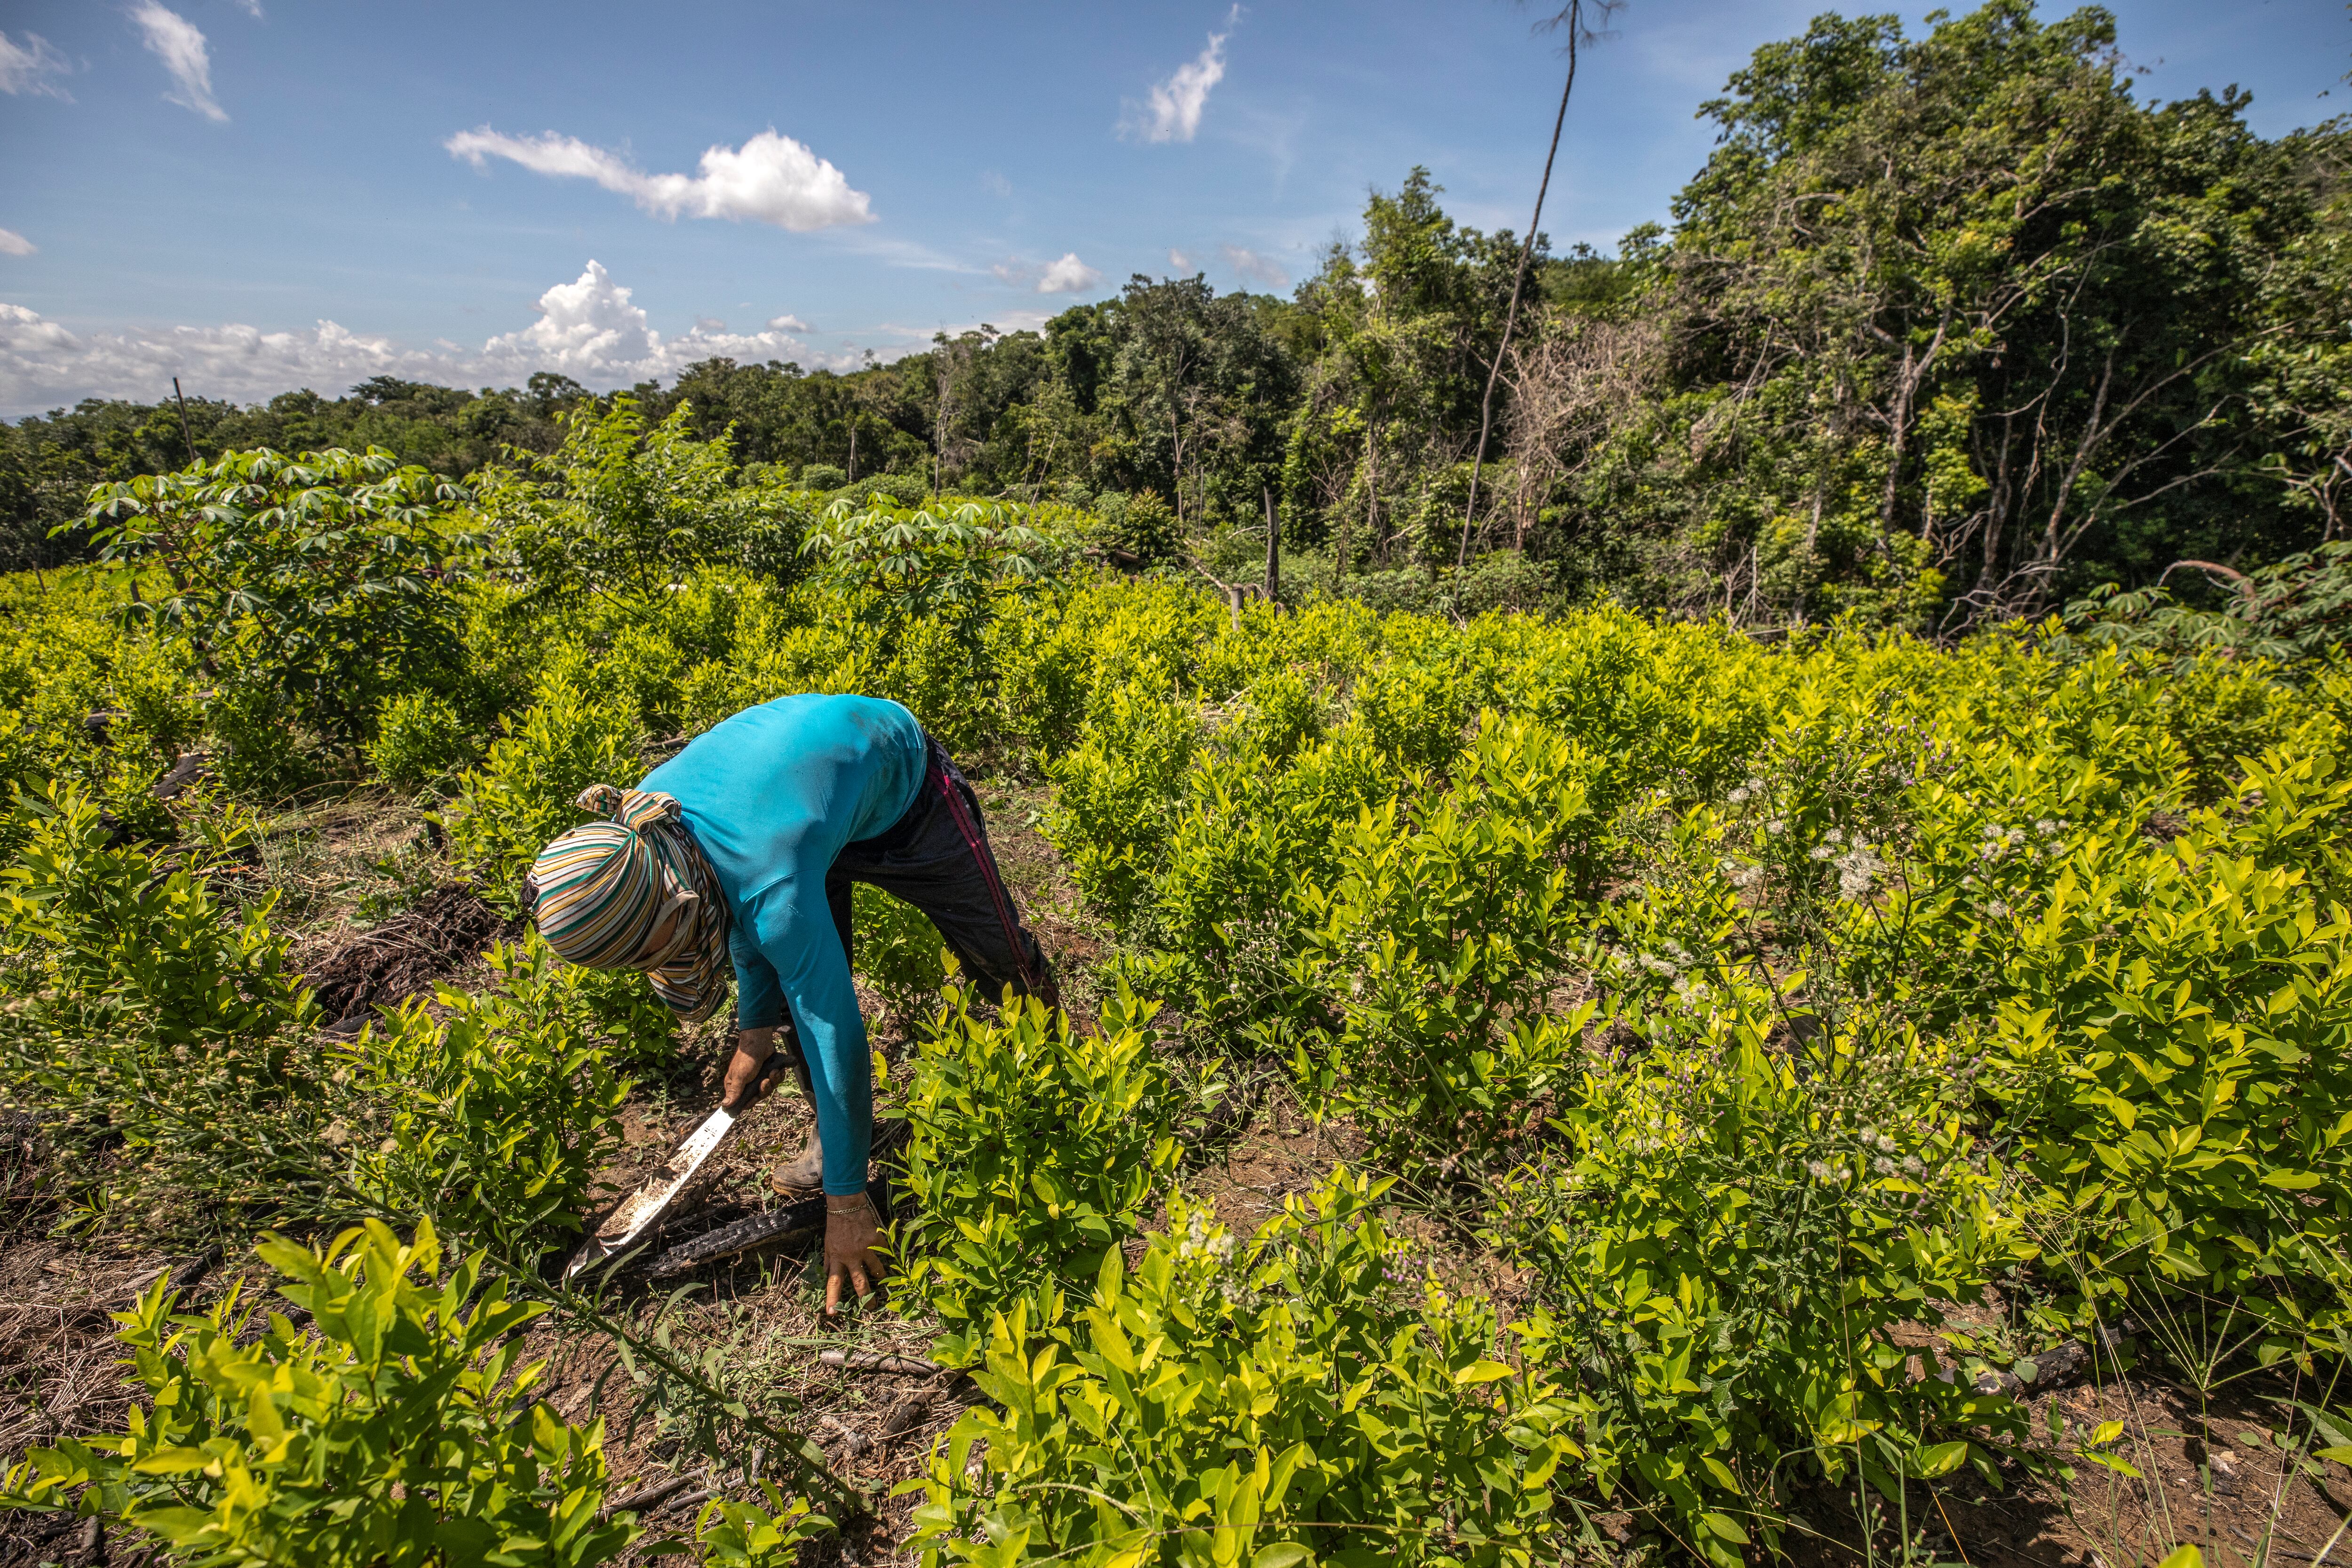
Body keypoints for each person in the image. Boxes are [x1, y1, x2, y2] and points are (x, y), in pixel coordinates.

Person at [524, 693, 1057, 1315]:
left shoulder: (759, 873)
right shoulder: (651, 833)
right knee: (794, 1000)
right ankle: (841, 1143)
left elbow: (836, 1027)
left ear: (672, 904)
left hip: (907, 791)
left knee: (1003, 964)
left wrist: (849, 1203)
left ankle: (1065, 1093)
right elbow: (737, 906)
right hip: (803, 819)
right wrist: (755, 1035)